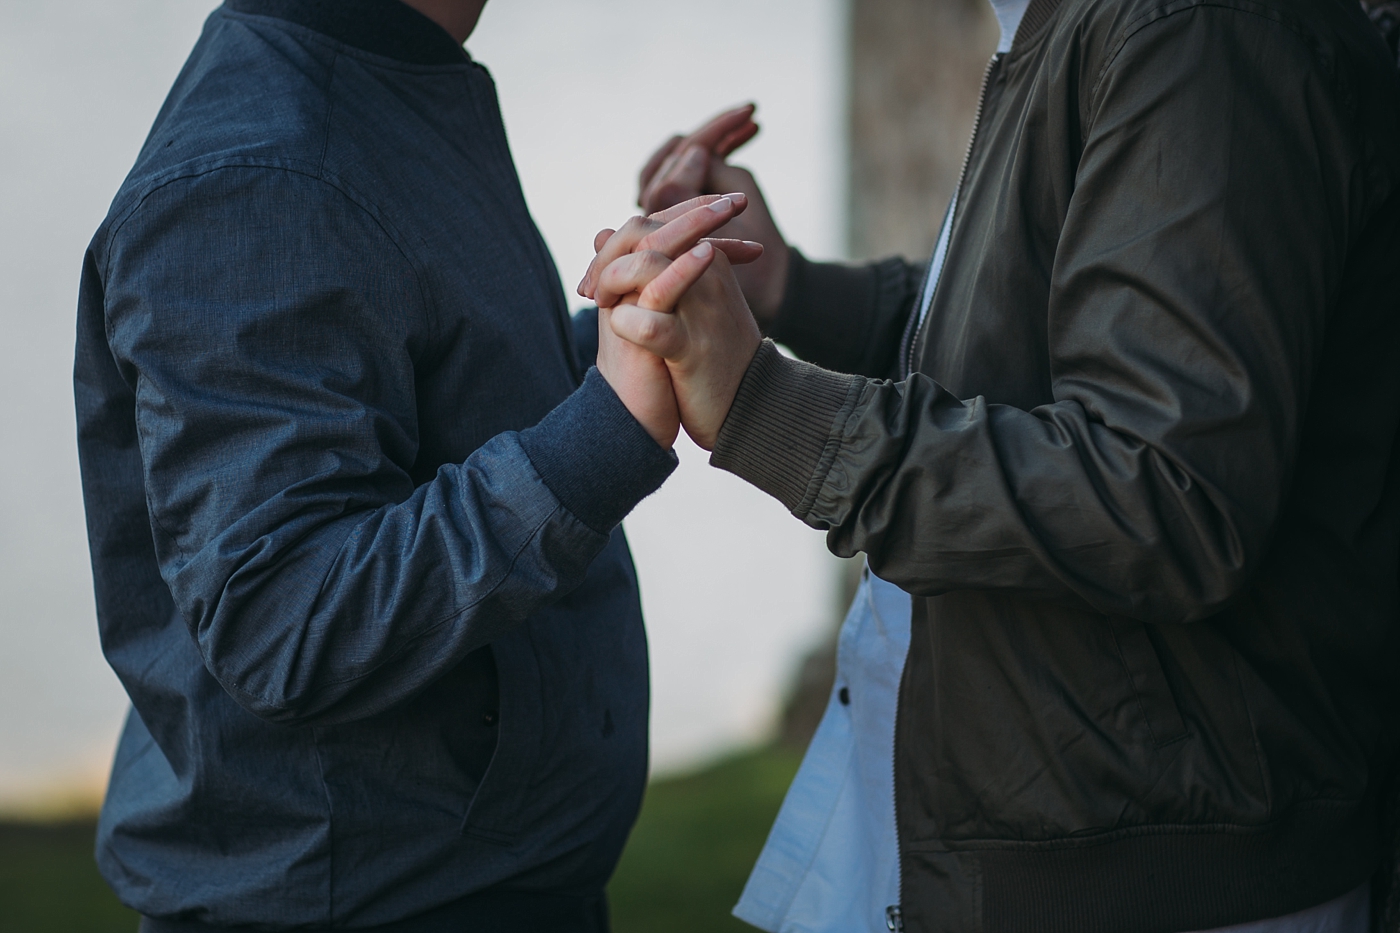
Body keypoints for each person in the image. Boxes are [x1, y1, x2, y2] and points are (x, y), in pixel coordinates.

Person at [583, 0, 1400, 926]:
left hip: (1156, 880)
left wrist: (766, 408)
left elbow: (1163, 497)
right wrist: (789, 290)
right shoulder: (1091, 25)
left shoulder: (1194, 30)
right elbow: (1028, 352)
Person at [72, 1, 756, 929]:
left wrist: (659, 305)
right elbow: (286, 615)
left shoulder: (387, 80)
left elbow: (431, 395)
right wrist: (604, 432)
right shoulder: (253, 175)